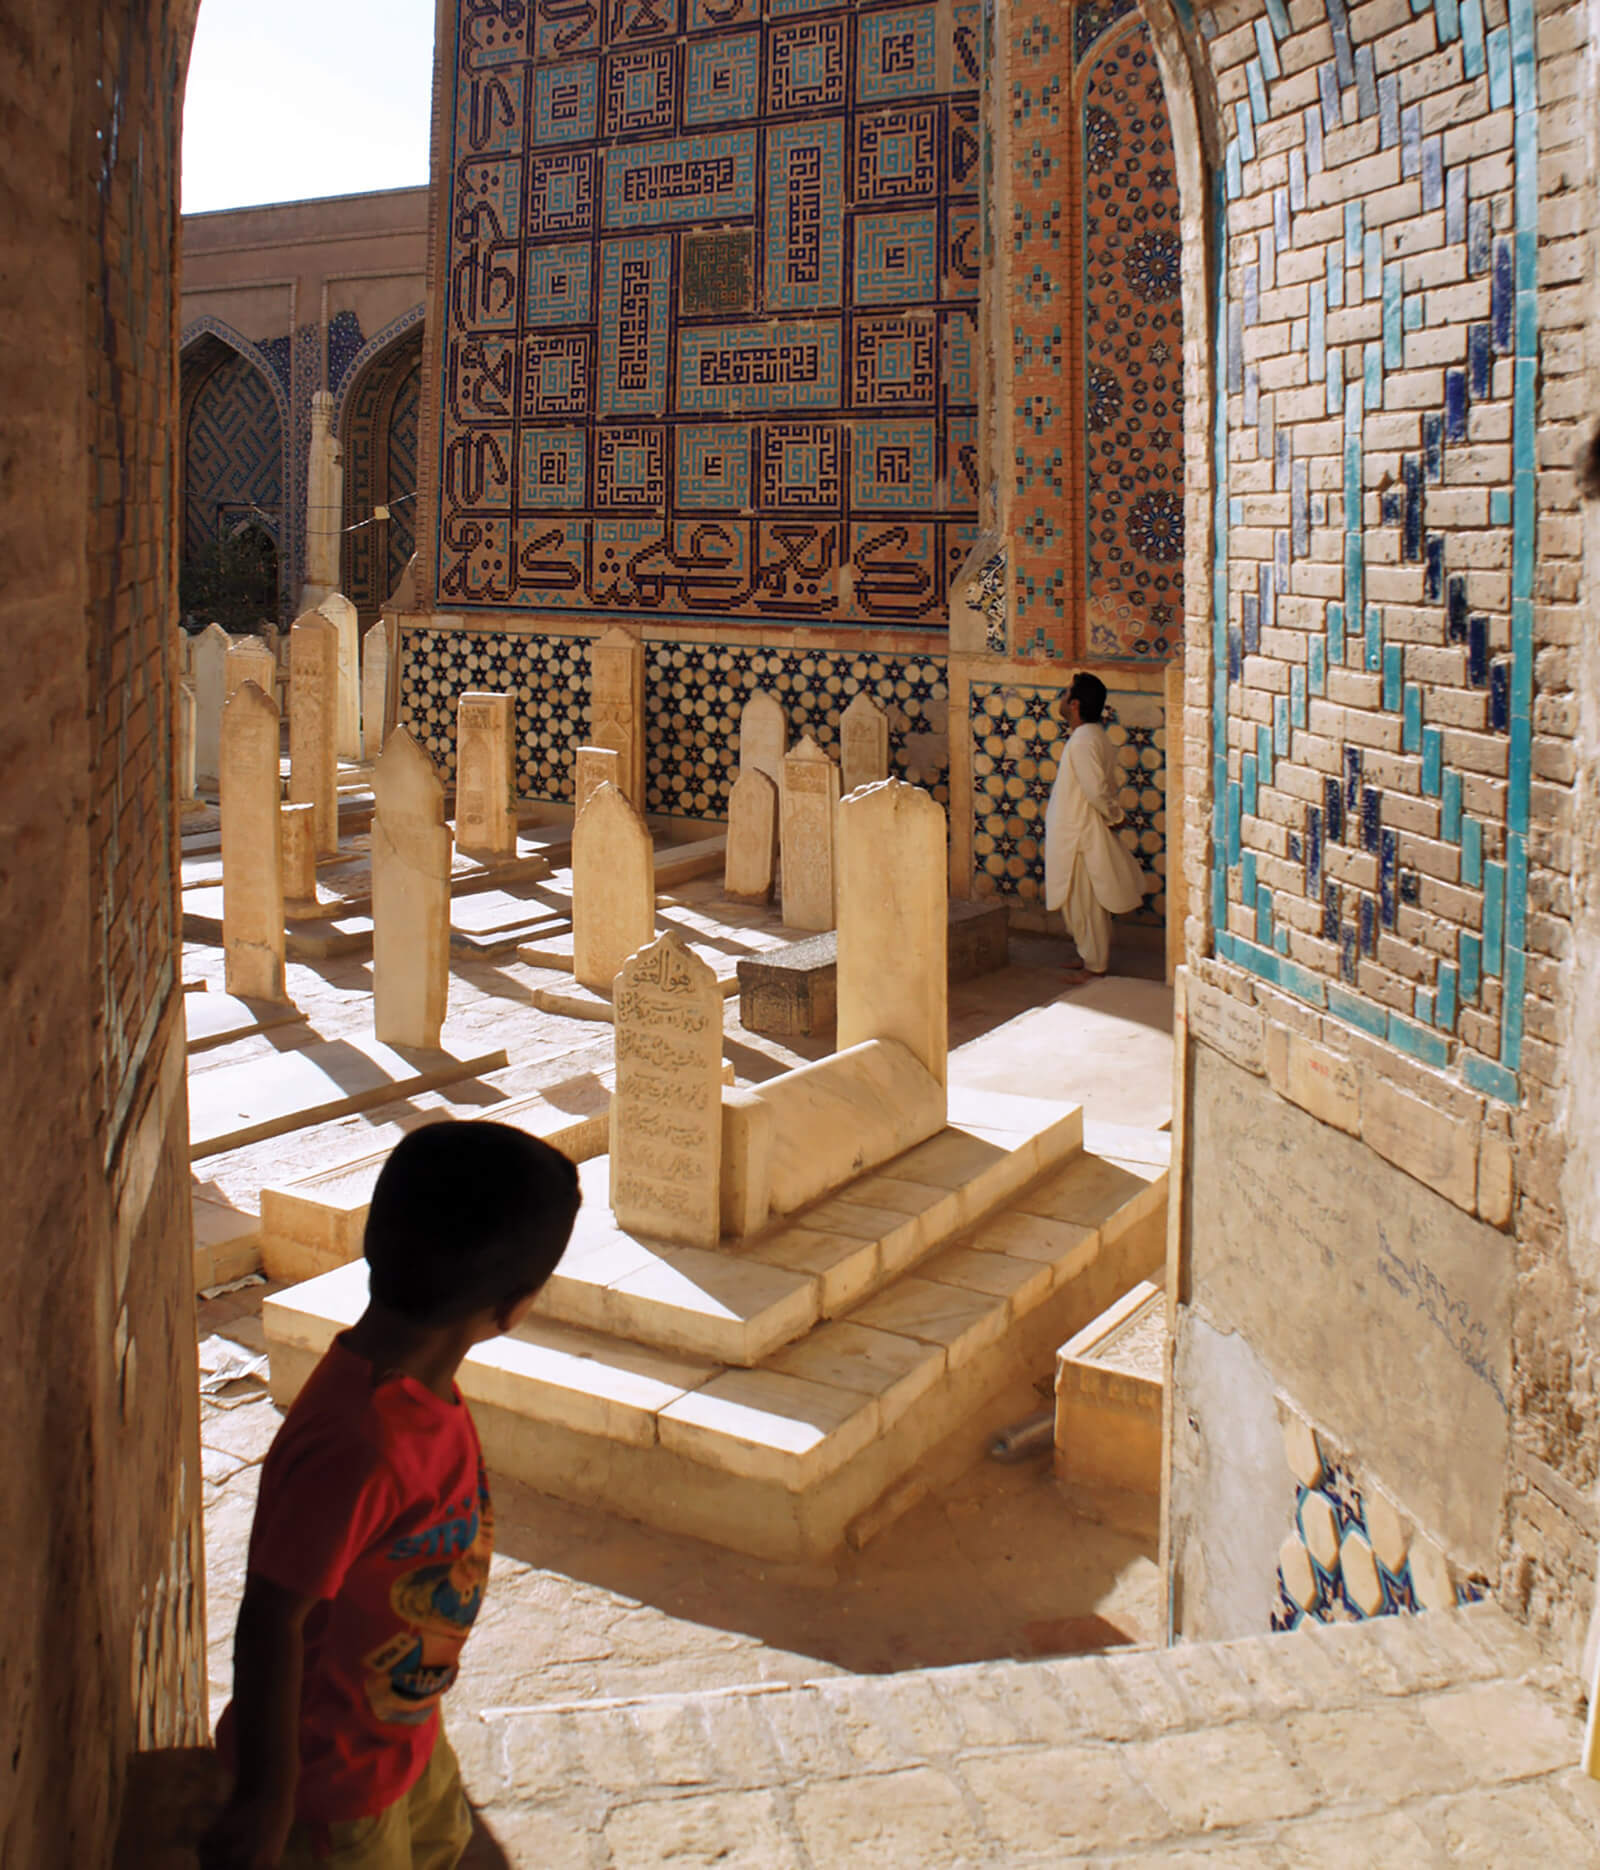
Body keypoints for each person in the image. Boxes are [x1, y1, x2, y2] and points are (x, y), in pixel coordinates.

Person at [200, 1121, 582, 1870]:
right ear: (513, 1308)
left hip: (398, 1735)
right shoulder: (360, 1442)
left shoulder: (419, 1398)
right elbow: (273, 1616)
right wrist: (267, 1799)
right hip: (327, 1778)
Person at [1043, 672, 1149, 975]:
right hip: (1076, 830)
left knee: (1086, 903)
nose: (1061, 699)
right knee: (1077, 902)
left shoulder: (1084, 739)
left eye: (1065, 694)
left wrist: (1115, 816)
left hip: (1081, 834)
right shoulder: (1090, 737)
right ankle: (1087, 955)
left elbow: (1096, 789)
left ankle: (1095, 966)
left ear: (1074, 704)